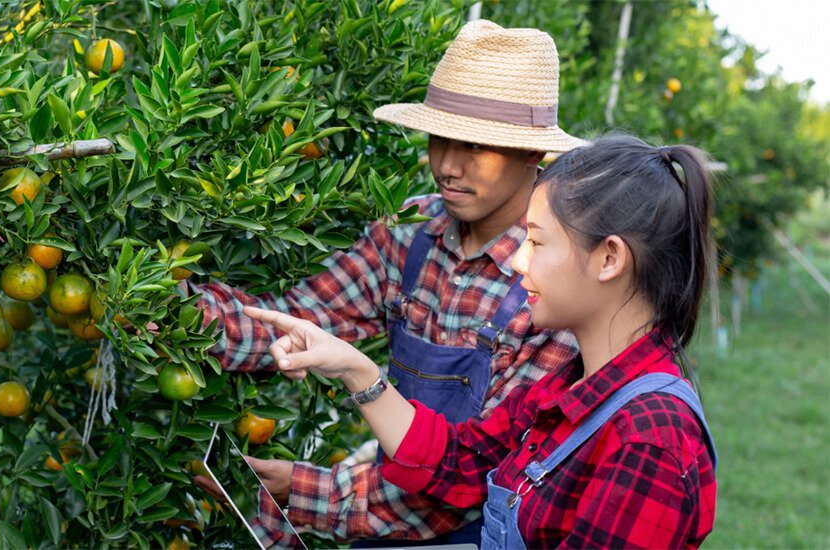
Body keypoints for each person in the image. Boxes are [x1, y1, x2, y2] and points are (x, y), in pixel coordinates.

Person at [189, 20, 582, 545]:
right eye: (438, 138)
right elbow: (301, 320)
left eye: (474, 146)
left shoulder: (553, 284)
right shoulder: (411, 233)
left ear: (533, 152)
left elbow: (481, 474)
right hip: (381, 523)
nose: (446, 165)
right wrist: (170, 310)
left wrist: (306, 490)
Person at [245, 135, 718, 548]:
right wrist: (356, 370)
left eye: (536, 242)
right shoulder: (567, 389)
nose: (516, 261)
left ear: (609, 258)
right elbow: (456, 464)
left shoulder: (649, 439)